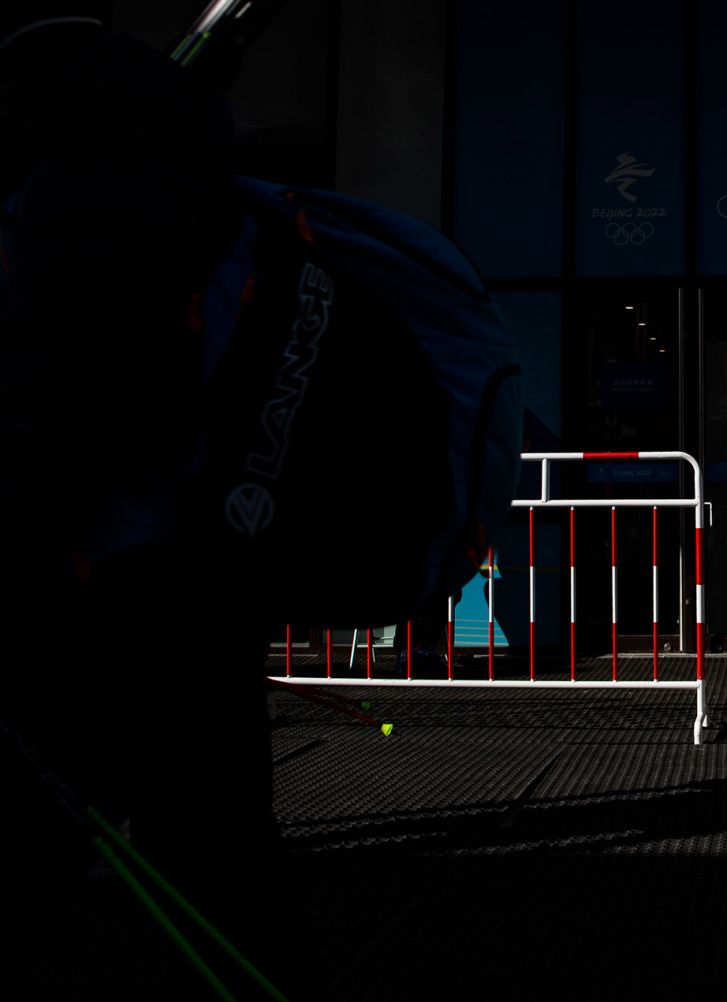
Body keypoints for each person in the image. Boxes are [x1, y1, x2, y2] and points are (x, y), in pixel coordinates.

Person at [1, 12, 324, 998]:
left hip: (89, 596)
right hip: (202, 588)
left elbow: (60, 413)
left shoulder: (78, 203)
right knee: (224, 868)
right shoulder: (207, 202)